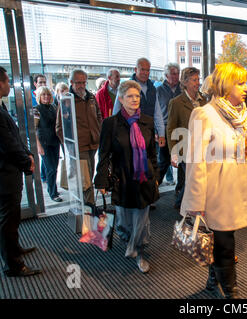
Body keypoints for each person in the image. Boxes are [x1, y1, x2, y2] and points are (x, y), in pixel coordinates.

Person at [180, 62, 247, 299]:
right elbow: (195, 162)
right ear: (225, 85)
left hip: (239, 187)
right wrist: (195, 202)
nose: (246, 88)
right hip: (215, 191)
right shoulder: (204, 114)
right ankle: (230, 292)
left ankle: (213, 282)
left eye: (246, 82)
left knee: (224, 238)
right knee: (226, 242)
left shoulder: (244, 114)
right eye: (240, 83)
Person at [94, 80, 160, 273]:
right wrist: (101, 180)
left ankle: (137, 250)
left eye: (137, 96)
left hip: (144, 179)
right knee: (123, 223)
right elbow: (104, 154)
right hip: (122, 179)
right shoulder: (111, 124)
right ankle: (130, 240)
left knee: (141, 218)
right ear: (121, 99)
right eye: (130, 96)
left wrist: (155, 175)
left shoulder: (147, 122)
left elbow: (152, 153)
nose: (134, 100)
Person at [0, 66, 41, 277]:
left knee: (12, 218)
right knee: (7, 220)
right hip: (5, 175)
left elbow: (14, 136)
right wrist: (27, 162)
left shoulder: (2, 107)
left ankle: (14, 250)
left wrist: (28, 155)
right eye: (7, 81)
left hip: (11, 171)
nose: (9, 85)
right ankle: (13, 265)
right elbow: (8, 144)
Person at [56, 69, 102, 205]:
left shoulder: (91, 98)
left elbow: (98, 115)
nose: (82, 85)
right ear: (71, 82)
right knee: (85, 180)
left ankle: (87, 209)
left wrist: (98, 132)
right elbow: (59, 127)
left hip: (93, 144)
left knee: (88, 176)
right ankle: (89, 209)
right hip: (78, 146)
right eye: (78, 83)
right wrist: (69, 146)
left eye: (84, 82)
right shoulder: (66, 100)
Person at [167, 67, 207, 209]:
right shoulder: (176, 102)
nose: (197, 83)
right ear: (184, 82)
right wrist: (174, 153)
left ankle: (188, 204)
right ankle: (181, 204)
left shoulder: (204, 101)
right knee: (191, 180)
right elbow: (171, 128)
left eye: (198, 79)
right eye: (194, 80)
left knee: (196, 180)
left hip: (203, 148)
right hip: (185, 148)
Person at [34, 86, 62, 202]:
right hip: (44, 143)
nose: (46, 97)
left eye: (48, 94)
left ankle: (52, 188)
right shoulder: (36, 109)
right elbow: (34, 128)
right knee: (51, 169)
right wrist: (38, 145)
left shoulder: (53, 107)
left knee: (54, 168)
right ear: (39, 97)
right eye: (43, 95)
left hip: (55, 142)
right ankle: (53, 193)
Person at [156, 63, 181, 186]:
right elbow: (155, 113)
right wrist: (157, 132)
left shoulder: (183, 89)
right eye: (173, 73)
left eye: (177, 73)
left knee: (183, 162)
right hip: (165, 129)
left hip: (181, 130)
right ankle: (153, 190)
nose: (176, 76)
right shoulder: (159, 91)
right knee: (163, 161)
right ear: (166, 75)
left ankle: (180, 193)